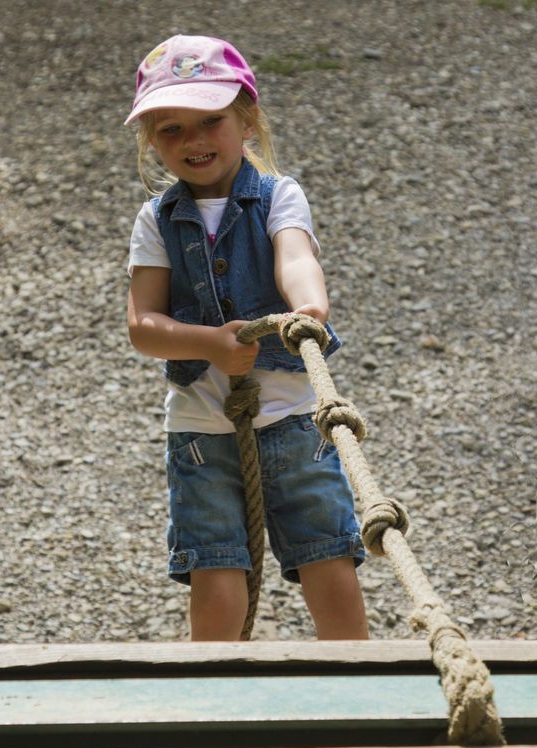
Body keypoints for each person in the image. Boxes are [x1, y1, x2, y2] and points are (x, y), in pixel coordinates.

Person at [125, 34, 368, 641]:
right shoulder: (155, 220)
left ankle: (358, 677)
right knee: (215, 568)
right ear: (152, 141)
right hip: (203, 426)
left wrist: (307, 305)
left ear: (248, 119)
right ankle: (213, 693)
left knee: (327, 556)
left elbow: (294, 257)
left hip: (291, 416)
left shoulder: (278, 195)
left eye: (210, 121)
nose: (194, 140)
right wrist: (209, 343)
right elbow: (142, 325)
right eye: (171, 129)